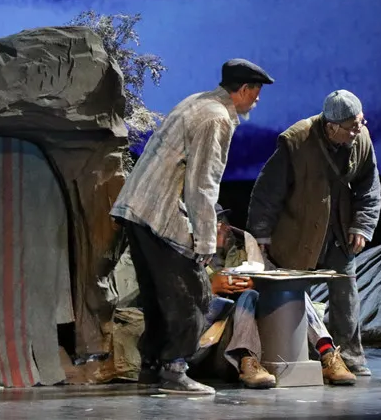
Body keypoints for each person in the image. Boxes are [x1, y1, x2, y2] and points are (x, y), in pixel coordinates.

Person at [110, 59, 273, 395]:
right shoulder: (216, 117)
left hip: (137, 209)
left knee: (158, 296)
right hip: (161, 213)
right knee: (193, 293)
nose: (257, 99)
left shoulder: (197, 102)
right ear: (244, 89)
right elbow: (203, 183)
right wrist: (205, 240)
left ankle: (152, 369)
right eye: (256, 92)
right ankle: (174, 370)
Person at [246, 89, 381, 376]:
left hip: (339, 232)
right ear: (331, 127)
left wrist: (362, 225)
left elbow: (369, 187)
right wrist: (261, 235)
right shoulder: (296, 140)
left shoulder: (361, 138)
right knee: (296, 296)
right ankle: (301, 353)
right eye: (351, 126)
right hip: (299, 230)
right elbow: (268, 191)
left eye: (361, 122)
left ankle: (349, 356)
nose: (358, 130)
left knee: (346, 293)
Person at [191, 205, 358, 388]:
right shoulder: (188, 261)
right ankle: (246, 360)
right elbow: (181, 312)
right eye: (213, 224)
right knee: (248, 296)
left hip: (260, 336)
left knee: (291, 289)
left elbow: (274, 275)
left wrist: (257, 281)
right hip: (214, 346)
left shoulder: (244, 249)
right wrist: (211, 289)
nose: (220, 228)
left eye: (221, 222)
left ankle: (328, 354)